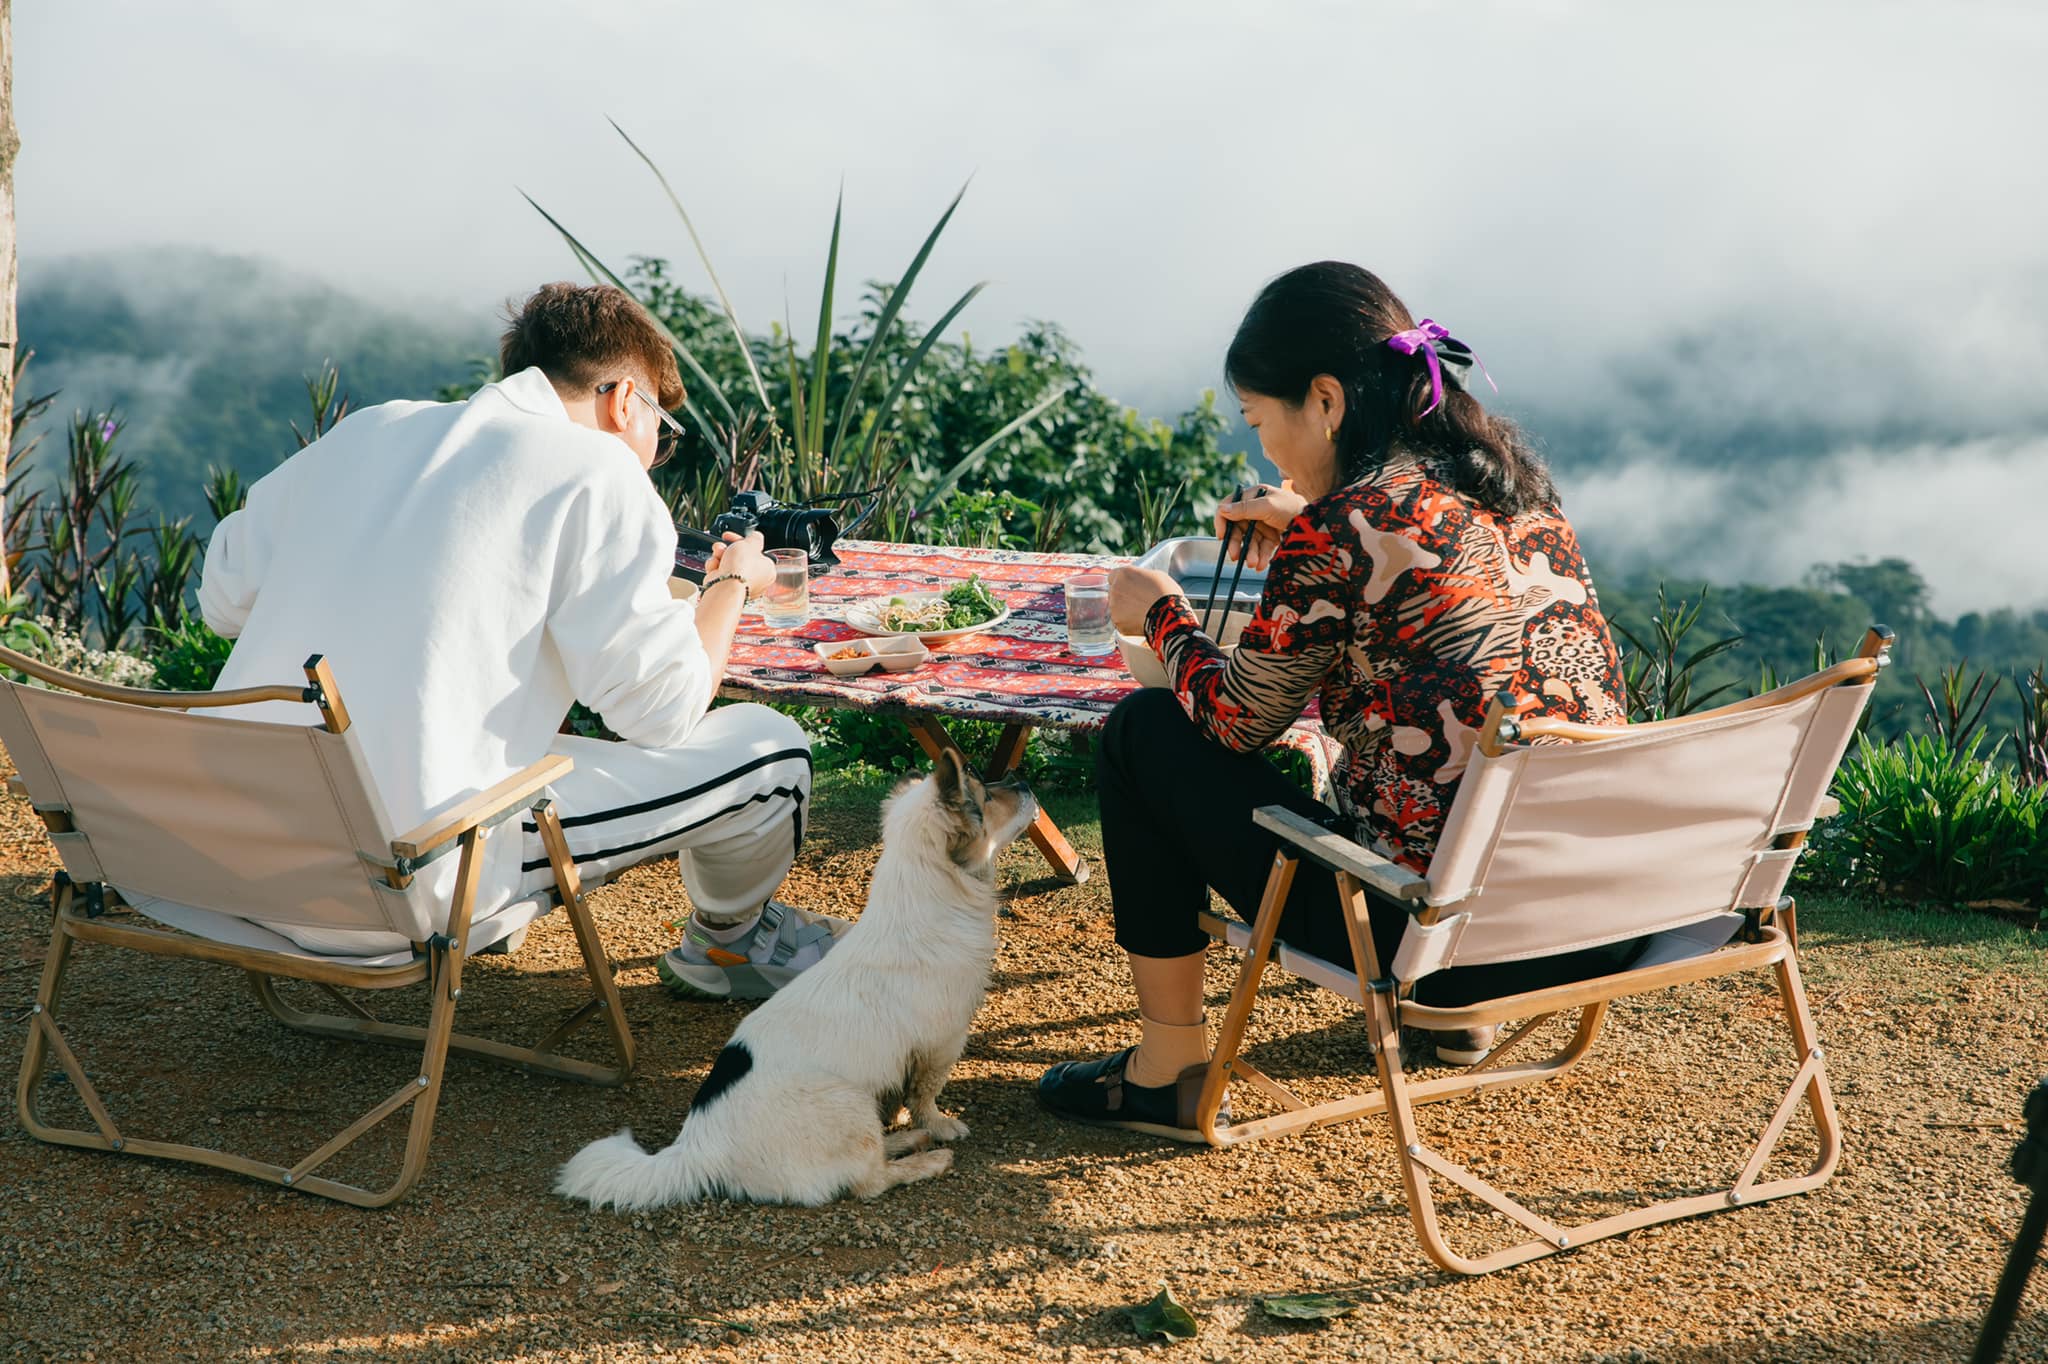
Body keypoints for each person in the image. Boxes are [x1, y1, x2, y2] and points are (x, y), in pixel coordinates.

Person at [1038, 261, 1634, 1138]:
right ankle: (1462, 1031)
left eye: (1259, 421)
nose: (1263, 450)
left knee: (1143, 733)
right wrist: (1308, 521)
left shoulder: (1341, 529)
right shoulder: (1519, 496)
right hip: (1589, 921)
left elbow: (1237, 720)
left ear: (1324, 400)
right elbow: (1433, 592)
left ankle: (1167, 1071)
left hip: (1432, 944)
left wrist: (1161, 613)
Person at [197, 282, 842, 998]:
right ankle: (729, 948)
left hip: (232, 857)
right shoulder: (599, 472)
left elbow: (222, 601)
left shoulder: (367, 430)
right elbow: (660, 713)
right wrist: (734, 585)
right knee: (773, 750)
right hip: (396, 884)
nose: (654, 453)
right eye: (662, 430)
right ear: (626, 400)